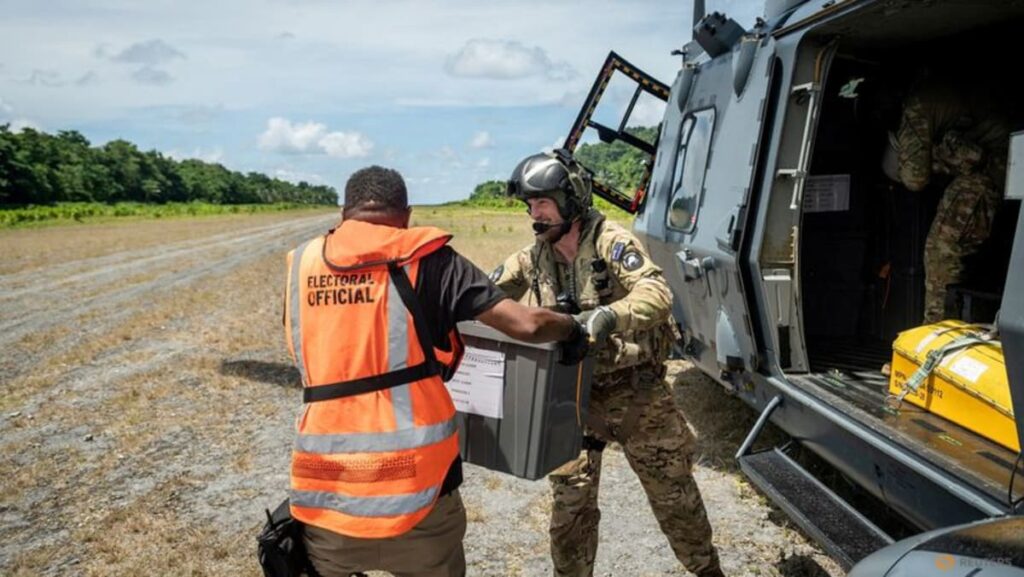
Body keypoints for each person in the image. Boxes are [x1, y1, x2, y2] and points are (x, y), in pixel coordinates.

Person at [283, 165, 587, 577]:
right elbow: (526, 325)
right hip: (418, 497)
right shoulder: (427, 258)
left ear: (343, 213)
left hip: (325, 497)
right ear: (406, 216)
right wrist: (571, 328)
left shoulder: (301, 265)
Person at [491, 150, 724, 577]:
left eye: (542, 203)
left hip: (636, 392)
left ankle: (708, 570)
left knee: (674, 497)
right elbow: (485, 293)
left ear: (571, 199)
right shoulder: (534, 256)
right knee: (570, 505)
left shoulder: (611, 241)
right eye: (530, 205)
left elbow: (656, 293)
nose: (534, 214)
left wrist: (606, 317)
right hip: (571, 394)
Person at [883, 69, 1010, 324]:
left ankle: (939, 332)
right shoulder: (936, 90)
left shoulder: (916, 105)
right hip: (1001, 160)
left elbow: (914, 179)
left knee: (942, 251)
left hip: (995, 166)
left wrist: (929, 159)